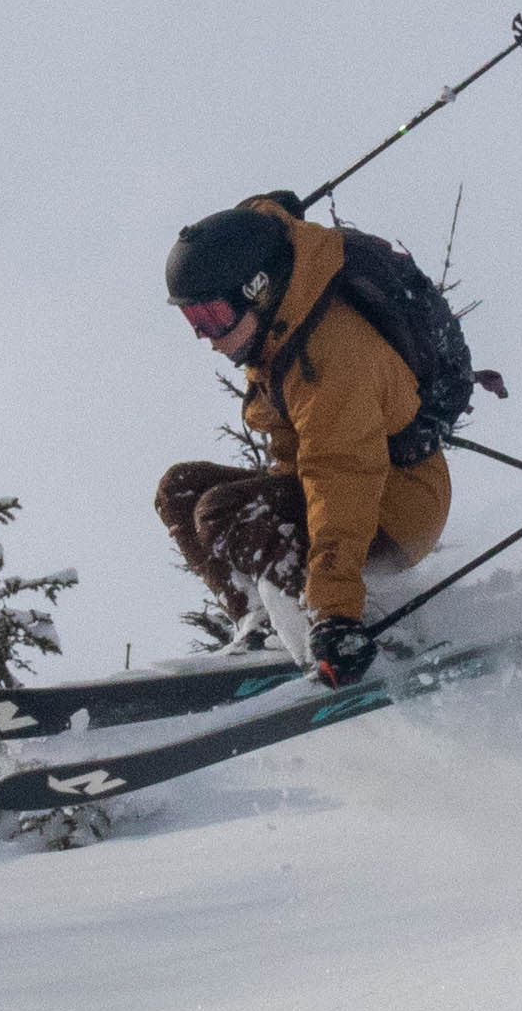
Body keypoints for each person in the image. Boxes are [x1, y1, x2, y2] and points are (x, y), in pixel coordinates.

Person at [156, 193, 454, 683]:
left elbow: (342, 479)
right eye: (192, 321)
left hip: (395, 504)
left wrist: (336, 612)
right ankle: (261, 623)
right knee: (181, 488)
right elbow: (261, 229)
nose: (205, 337)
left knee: (222, 510)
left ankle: (339, 626)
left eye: (211, 317)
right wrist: (266, 213)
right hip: (341, 491)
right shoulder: (281, 321)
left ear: (257, 289)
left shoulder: (331, 358)